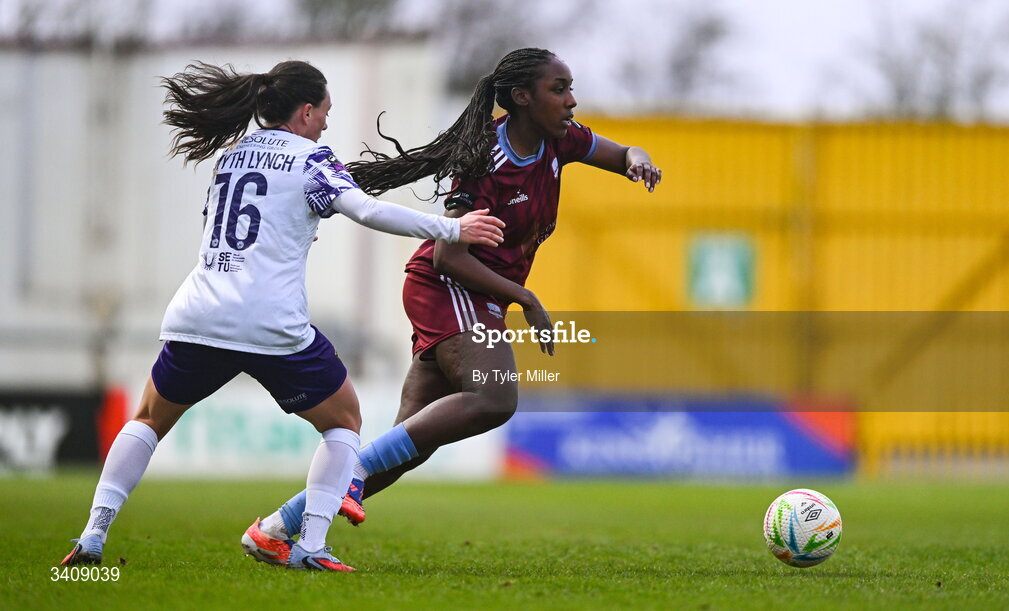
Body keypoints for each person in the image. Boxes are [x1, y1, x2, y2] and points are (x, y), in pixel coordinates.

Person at [59, 60, 504, 572]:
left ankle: (93, 534)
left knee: (148, 421)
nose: (327, 124)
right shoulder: (311, 158)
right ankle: (310, 545)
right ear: (307, 110)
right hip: (270, 321)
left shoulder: (231, 156)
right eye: (326, 113)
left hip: (200, 312)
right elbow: (367, 211)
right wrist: (451, 229)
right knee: (344, 423)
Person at [243, 47, 661, 561]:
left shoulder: (561, 141)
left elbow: (620, 155)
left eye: (571, 88)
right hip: (449, 286)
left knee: (402, 450)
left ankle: (276, 529)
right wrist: (525, 297)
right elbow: (449, 254)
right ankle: (345, 478)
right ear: (522, 97)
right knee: (495, 396)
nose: (572, 101)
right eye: (560, 89)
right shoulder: (486, 155)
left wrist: (637, 159)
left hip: (475, 294)